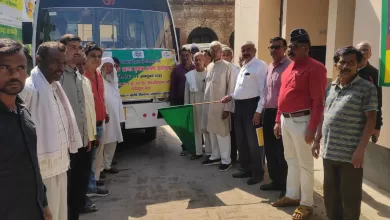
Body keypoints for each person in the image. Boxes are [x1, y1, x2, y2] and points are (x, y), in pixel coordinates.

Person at [312, 46, 377, 220]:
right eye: (343, 62)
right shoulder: (331, 87)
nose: (346, 66)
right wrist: (317, 140)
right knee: (331, 199)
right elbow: (324, 115)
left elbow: (371, 120)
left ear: (357, 65)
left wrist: (360, 151)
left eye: (351, 63)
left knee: (350, 200)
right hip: (329, 152)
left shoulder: (367, 88)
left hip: (350, 156)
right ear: (336, 65)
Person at [21, 41, 84, 220]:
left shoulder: (55, 87)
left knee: (59, 214)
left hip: (61, 164)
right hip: (42, 170)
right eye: (55, 62)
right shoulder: (28, 88)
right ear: (39, 60)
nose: (61, 68)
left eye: (63, 63)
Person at [271, 29, 327, 220]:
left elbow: (318, 102)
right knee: (290, 160)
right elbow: (281, 98)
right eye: (291, 45)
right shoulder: (289, 68)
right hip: (286, 120)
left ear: (307, 48)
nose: (291, 49)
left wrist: (312, 128)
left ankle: (306, 203)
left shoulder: (316, 68)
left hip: (302, 121)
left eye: (296, 46)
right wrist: (278, 120)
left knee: (305, 164)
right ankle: (292, 195)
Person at [0, 38, 52, 220]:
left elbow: (32, 166)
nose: (14, 74)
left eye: (21, 68)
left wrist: (44, 205)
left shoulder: (23, 111)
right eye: (4, 67)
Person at [221, 42, 267, 185]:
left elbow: (263, 91)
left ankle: (257, 173)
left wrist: (258, 111)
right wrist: (231, 96)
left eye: (248, 50)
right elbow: (242, 89)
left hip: (252, 107)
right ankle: (245, 169)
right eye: (243, 50)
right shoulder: (244, 66)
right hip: (239, 107)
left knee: (254, 143)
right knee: (242, 141)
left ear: (255, 50)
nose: (245, 52)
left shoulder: (260, 65)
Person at [59, 34, 93, 220]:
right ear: (62, 49)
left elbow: (82, 110)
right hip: (66, 146)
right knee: (67, 192)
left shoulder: (79, 76)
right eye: (73, 47)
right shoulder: (58, 76)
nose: (78, 51)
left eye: (79, 47)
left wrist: (87, 136)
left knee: (79, 189)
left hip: (82, 143)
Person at [260, 37, 290, 198]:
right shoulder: (270, 66)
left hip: (282, 114)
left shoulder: (289, 67)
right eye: (271, 47)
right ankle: (275, 181)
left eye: (277, 47)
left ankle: (287, 185)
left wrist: (279, 118)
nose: (273, 50)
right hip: (269, 112)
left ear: (284, 48)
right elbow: (266, 91)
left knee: (282, 151)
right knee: (270, 149)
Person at [201, 41, 235, 172]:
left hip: (221, 107)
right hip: (209, 107)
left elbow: (231, 88)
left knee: (222, 133)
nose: (214, 52)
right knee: (213, 132)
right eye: (211, 50)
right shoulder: (209, 66)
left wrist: (227, 108)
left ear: (221, 51)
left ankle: (226, 160)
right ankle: (215, 156)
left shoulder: (228, 66)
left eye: (216, 50)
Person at [83, 42, 110, 197]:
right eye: (93, 56)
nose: (97, 59)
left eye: (99, 56)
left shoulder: (98, 75)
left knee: (96, 158)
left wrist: (105, 112)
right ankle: (90, 188)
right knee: (89, 159)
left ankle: (94, 181)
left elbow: (100, 97)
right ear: (85, 57)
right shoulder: (82, 76)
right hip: (90, 125)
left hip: (100, 123)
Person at [75, 54, 99, 213]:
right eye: (80, 64)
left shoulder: (84, 81)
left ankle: (83, 198)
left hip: (88, 135)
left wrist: (92, 135)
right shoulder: (70, 81)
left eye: (84, 63)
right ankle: (80, 201)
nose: (82, 66)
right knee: (78, 174)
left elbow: (89, 110)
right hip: (77, 138)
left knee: (85, 171)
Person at [99, 57, 125, 174]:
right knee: (102, 143)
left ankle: (107, 165)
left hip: (114, 118)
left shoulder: (114, 80)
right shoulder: (99, 81)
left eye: (111, 66)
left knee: (112, 141)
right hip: (104, 117)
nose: (109, 69)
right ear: (102, 67)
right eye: (106, 66)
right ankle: (99, 169)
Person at [184, 52, 211, 159]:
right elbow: (186, 92)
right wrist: (187, 107)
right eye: (196, 60)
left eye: (200, 59)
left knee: (207, 129)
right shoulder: (190, 76)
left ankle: (209, 152)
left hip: (207, 106)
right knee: (196, 130)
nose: (198, 62)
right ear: (193, 61)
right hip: (194, 106)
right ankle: (198, 152)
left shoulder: (209, 73)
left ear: (204, 60)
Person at [170, 47, 195, 156]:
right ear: (180, 57)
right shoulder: (177, 70)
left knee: (195, 124)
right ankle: (185, 147)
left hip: (194, 101)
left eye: (187, 55)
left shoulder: (196, 67)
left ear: (191, 55)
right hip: (181, 101)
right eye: (183, 55)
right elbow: (173, 87)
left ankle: (197, 146)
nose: (185, 57)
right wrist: (173, 104)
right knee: (184, 126)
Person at [355, 41, 382, 141]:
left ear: (370, 55)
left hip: (365, 121)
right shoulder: (348, 69)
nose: (362, 52)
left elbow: (378, 100)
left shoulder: (374, 73)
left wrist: (377, 126)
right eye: (360, 50)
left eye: (365, 50)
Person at [222, 47, 240, 163]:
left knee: (233, 133)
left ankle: (233, 156)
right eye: (223, 55)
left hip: (233, 106)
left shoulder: (236, 70)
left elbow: (234, 90)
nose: (225, 57)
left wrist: (228, 108)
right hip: (222, 105)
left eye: (227, 55)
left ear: (231, 57)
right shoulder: (220, 68)